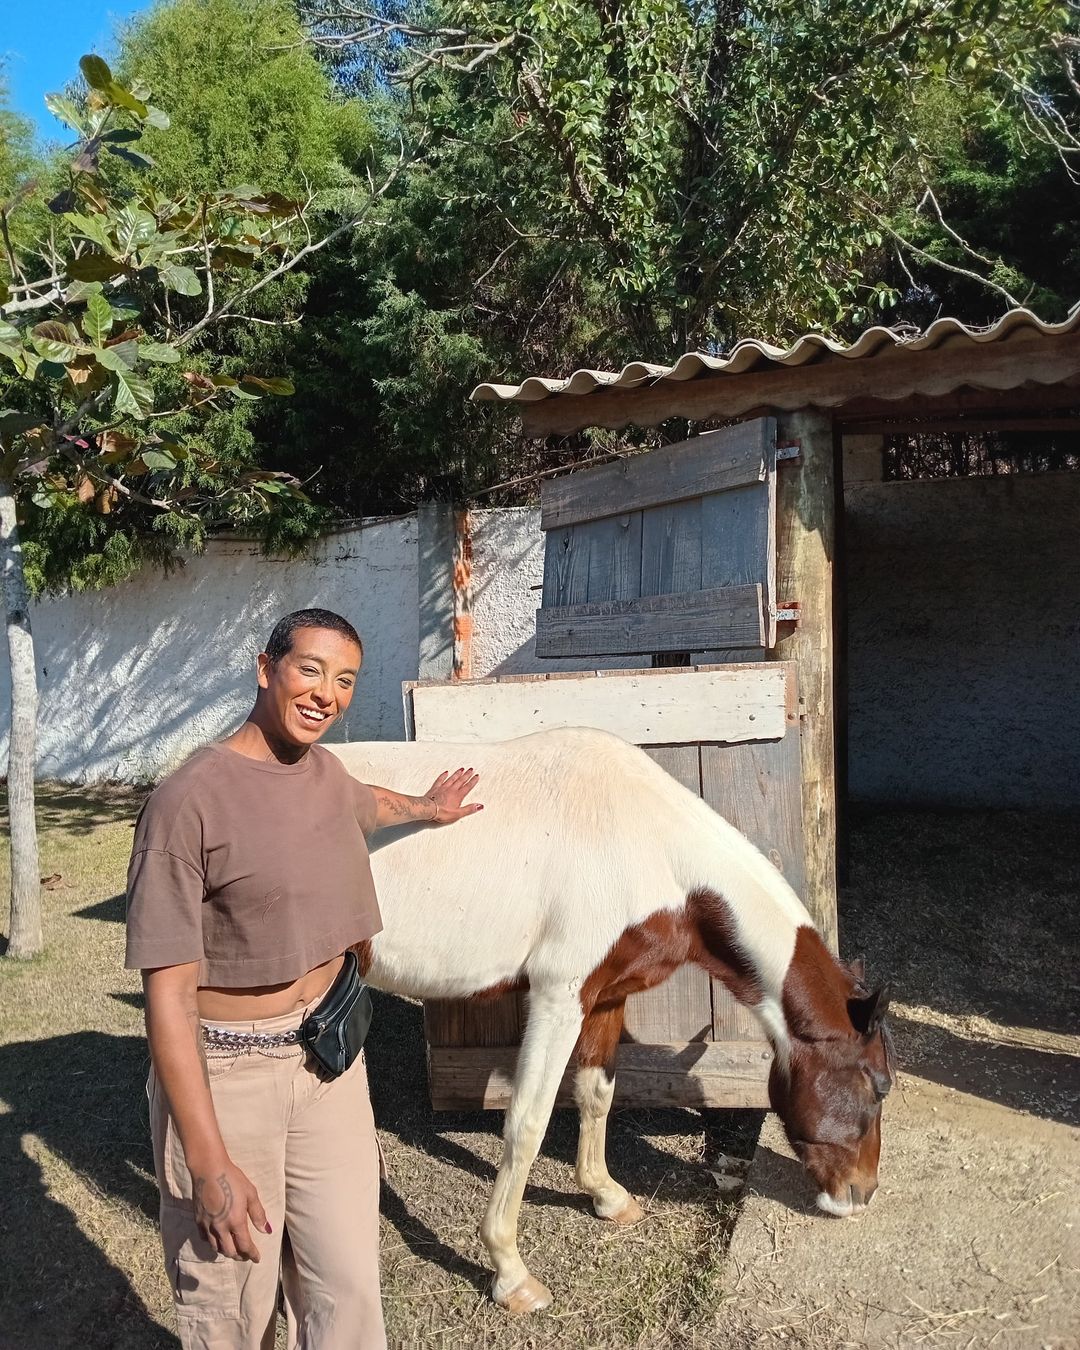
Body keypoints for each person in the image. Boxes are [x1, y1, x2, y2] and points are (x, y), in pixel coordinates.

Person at [125, 608, 481, 1350]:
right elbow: (166, 997)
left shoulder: (326, 773)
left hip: (328, 1063)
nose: (327, 693)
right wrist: (208, 1160)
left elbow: (369, 806)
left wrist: (430, 808)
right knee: (232, 1299)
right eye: (310, 670)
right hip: (228, 1071)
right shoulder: (188, 801)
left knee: (346, 1287)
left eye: (345, 679)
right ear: (267, 668)